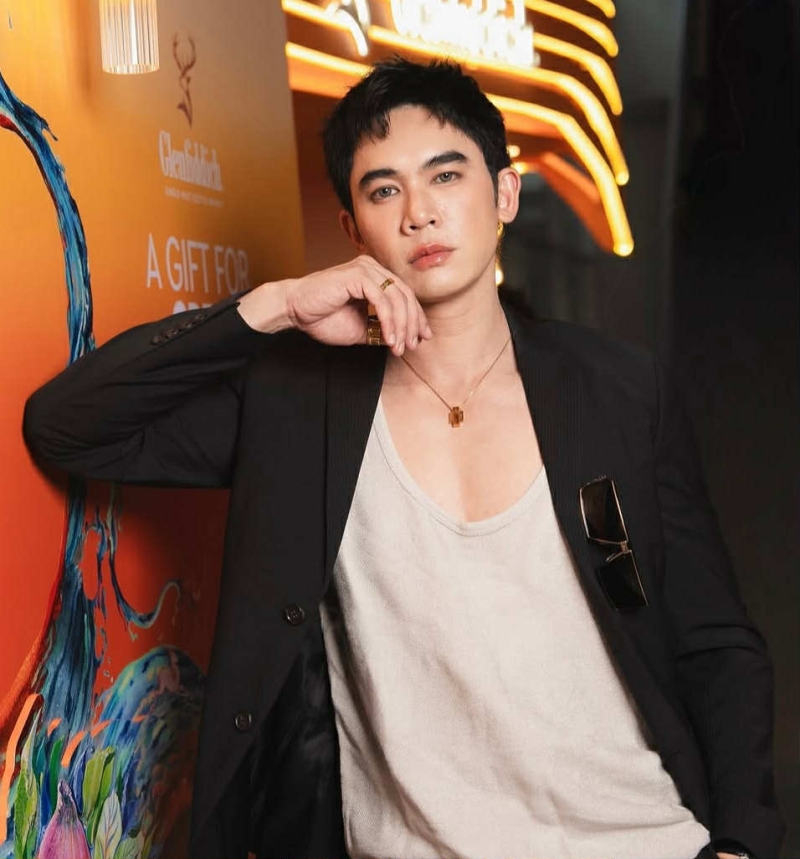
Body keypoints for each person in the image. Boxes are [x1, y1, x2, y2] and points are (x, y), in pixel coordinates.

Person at [23, 58, 783, 859]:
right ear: (353, 229)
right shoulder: (299, 407)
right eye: (384, 190)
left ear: (505, 195)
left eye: (446, 175)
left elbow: (716, 642)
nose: (419, 213)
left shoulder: (619, 391)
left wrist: (741, 840)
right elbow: (68, 426)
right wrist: (271, 306)